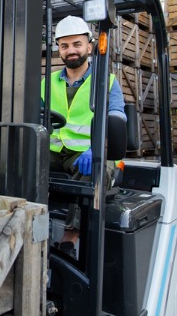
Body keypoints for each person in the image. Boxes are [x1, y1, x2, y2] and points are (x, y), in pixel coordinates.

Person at [41, 15, 126, 257]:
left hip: (89, 152)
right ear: (59, 49)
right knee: (18, 161)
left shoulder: (106, 82)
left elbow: (117, 117)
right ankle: (27, 220)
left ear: (89, 46)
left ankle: (70, 237)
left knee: (96, 169)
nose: (71, 50)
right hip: (55, 151)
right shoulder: (47, 83)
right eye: (65, 45)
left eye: (76, 44)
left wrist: (97, 146)